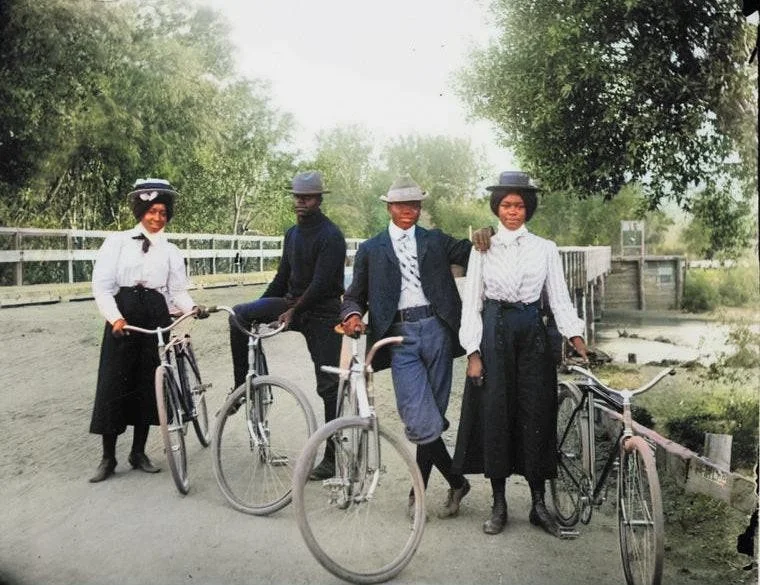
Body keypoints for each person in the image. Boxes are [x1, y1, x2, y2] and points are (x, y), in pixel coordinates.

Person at [453, 170, 588, 536]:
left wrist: (576, 337)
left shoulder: (545, 248)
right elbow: (472, 304)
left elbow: (558, 297)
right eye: (506, 205)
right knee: (496, 415)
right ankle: (499, 505)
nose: (513, 211)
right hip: (494, 331)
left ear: (528, 208)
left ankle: (538, 505)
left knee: (536, 413)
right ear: (497, 208)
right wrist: (473, 353)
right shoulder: (482, 247)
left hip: (532, 332)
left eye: (520, 205)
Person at [341, 175, 472, 519]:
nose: (408, 211)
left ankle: (420, 493)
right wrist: (353, 315)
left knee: (430, 419)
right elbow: (354, 295)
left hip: (439, 332)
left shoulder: (436, 240)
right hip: (398, 337)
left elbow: (471, 252)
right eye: (401, 205)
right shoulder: (371, 249)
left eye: (414, 205)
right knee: (419, 418)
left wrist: (486, 236)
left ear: (420, 207)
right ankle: (454, 481)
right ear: (389, 207)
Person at [89, 178, 208, 483]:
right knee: (114, 384)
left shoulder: (171, 251)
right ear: (141, 211)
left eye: (163, 213)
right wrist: (114, 318)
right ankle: (108, 457)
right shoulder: (116, 243)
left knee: (149, 382)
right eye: (152, 211)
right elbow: (102, 287)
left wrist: (192, 307)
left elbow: (177, 291)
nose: (157, 218)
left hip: (155, 314)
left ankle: (138, 452)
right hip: (124, 315)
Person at [229, 171, 346, 480]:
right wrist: (260, 308)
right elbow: (282, 279)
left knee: (329, 386)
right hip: (294, 304)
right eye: (296, 197)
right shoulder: (292, 234)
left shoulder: (331, 236)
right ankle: (241, 387)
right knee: (238, 315)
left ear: (319, 200)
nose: (300, 202)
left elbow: (322, 285)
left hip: (322, 313)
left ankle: (332, 457)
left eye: (306, 197)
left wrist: (294, 311)